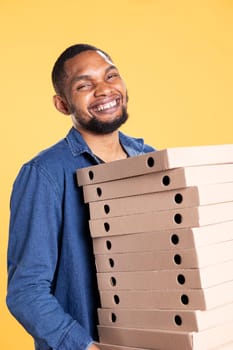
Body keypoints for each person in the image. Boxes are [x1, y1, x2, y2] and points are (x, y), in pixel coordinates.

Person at [6, 43, 155, 350]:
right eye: (84, 85)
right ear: (62, 104)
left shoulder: (152, 161)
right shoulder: (44, 175)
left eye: (111, 76)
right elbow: (26, 291)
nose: (103, 90)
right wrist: (86, 347)